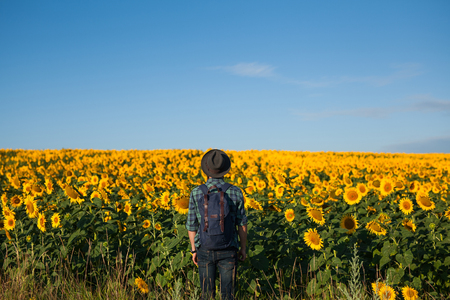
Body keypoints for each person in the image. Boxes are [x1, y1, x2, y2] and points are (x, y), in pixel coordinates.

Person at [186, 149, 248, 300]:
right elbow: (242, 224)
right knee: (228, 295)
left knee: (206, 295)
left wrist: (194, 250)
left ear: (206, 170)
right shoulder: (235, 191)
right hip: (229, 248)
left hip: (204, 249)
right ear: (224, 170)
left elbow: (191, 224)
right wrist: (243, 248)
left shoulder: (196, 192)